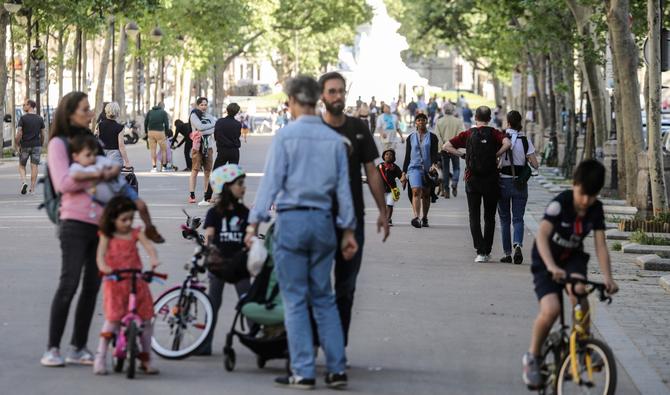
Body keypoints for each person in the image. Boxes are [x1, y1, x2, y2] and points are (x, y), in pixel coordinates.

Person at [246, 75, 358, 389]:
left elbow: (271, 183)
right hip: (324, 222)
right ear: (317, 100)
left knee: (295, 300)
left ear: (294, 101)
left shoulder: (285, 137)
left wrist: (254, 223)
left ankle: (304, 370)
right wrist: (348, 231)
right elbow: (343, 191)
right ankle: (336, 369)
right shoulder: (336, 141)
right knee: (323, 297)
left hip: (292, 222)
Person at [522, 160, 619, 389]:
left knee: (579, 293)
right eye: (583, 194)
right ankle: (533, 357)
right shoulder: (560, 203)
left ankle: (582, 344)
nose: (586, 201)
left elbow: (600, 246)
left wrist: (608, 277)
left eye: (592, 196)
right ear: (574, 184)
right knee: (552, 310)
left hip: (572, 257)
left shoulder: (596, 209)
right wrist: (551, 267)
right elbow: (542, 237)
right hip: (546, 258)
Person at [42, 92, 115, 367]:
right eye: (85, 109)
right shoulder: (59, 144)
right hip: (73, 222)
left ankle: (78, 346)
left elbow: (110, 171)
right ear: (70, 112)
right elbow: (63, 183)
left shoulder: (92, 141)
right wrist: (97, 175)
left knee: (92, 287)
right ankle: (52, 348)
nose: (90, 112)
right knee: (69, 283)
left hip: (100, 223)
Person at [319, 71, 390, 347]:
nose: (337, 96)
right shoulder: (313, 129)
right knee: (317, 286)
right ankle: (313, 345)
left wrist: (383, 211)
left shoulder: (358, 129)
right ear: (322, 95)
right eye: (331, 91)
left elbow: (372, 171)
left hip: (352, 221)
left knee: (346, 289)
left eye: (340, 91)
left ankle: (337, 346)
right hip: (318, 220)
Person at [93, 197, 160, 375]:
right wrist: (104, 267)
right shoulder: (107, 235)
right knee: (113, 321)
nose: (128, 222)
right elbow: (100, 255)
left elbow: (149, 247)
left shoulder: (135, 233)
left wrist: (153, 258)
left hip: (136, 280)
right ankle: (100, 357)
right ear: (113, 218)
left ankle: (146, 357)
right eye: (124, 219)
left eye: (131, 218)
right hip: (115, 282)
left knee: (146, 320)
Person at [195, 164, 251, 355]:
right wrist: (208, 253)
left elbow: (249, 239)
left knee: (248, 301)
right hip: (218, 264)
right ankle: (205, 343)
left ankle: (258, 336)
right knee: (213, 302)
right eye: (240, 184)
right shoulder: (213, 213)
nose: (244, 187)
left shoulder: (245, 212)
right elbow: (210, 237)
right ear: (227, 187)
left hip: (240, 264)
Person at [67, 134, 165, 243]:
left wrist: (110, 173)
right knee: (109, 220)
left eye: (94, 154)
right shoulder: (77, 167)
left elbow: (116, 166)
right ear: (75, 156)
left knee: (141, 205)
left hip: (121, 188)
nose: (92, 158)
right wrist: (97, 174)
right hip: (105, 199)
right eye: (88, 155)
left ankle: (149, 228)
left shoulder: (100, 160)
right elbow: (75, 175)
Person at [444, 106, 511, 262]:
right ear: (489, 118)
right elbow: (507, 143)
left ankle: (480, 251)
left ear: (475, 117)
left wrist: (462, 154)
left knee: (473, 216)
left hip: (472, 179)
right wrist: (496, 154)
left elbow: (446, 146)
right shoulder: (495, 133)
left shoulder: (468, 134)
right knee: (490, 217)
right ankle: (487, 250)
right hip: (491, 180)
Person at [498, 111, 539, 264]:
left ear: (508, 122)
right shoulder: (525, 140)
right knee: (518, 218)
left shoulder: (501, 138)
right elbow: (535, 164)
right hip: (520, 184)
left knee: (504, 220)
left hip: (502, 182)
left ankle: (507, 253)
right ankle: (518, 245)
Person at [401, 113, 439, 228]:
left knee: (426, 194)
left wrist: (434, 165)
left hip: (428, 170)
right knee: (416, 190)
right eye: (418, 120)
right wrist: (403, 173)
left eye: (423, 120)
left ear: (426, 122)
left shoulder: (432, 137)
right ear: (415, 123)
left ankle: (425, 217)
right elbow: (407, 156)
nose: (421, 122)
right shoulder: (411, 137)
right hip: (414, 168)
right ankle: (416, 217)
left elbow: (434, 153)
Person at [189, 97, 217, 205]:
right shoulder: (194, 115)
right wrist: (211, 126)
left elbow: (213, 129)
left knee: (207, 171)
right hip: (197, 147)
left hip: (208, 146)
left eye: (205, 105)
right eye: (202, 105)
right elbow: (199, 127)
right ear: (197, 105)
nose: (204, 107)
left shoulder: (209, 116)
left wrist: (206, 129)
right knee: (195, 170)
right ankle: (192, 194)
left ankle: (206, 194)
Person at [434, 102, 464, 198]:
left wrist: (442, 147)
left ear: (444, 110)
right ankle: (454, 182)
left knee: (445, 170)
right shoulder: (458, 121)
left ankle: (446, 190)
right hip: (454, 148)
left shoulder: (439, 121)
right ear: (453, 110)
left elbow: (437, 136)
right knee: (457, 168)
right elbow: (461, 135)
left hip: (443, 148)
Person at [16, 99, 45, 195]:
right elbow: (43, 133)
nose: (23, 106)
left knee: (21, 165)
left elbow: (19, 133)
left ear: (29, 106)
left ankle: (24, 182)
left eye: (24, 105)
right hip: (37, 144)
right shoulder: (40, 118)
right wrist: (41, 143)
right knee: (34, 166)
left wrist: (17, 143)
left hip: (25, 145)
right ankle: (32, 188)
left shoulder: (23, 118)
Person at [97, 102, 131, 168]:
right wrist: (127, 162)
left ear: (106, 111)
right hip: (115, 156)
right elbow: (121, 146)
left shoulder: (100, 125)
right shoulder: (119, 127)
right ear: (117, 113)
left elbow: (98, 140)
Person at [378, 149, 403, 226]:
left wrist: (404, 181)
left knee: (390, 204)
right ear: (383, 156)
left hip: (392, 189)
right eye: (387, 154)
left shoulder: (395, 167)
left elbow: (401, 176)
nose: (389, 156)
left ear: (393, 157)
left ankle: (388, 219)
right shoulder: (379, 166)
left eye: (391, 155)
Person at [144, 102, 171, 173]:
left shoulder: (150, 112)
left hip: (151, 132)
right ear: (162, 107)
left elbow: (145, 122)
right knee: (163, 150)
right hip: (160, 132)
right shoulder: (163, 112)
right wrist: (167, 133)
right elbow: (166, 124)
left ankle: (154, 167)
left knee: (153, 150)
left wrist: (146, 132)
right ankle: (164, 167)